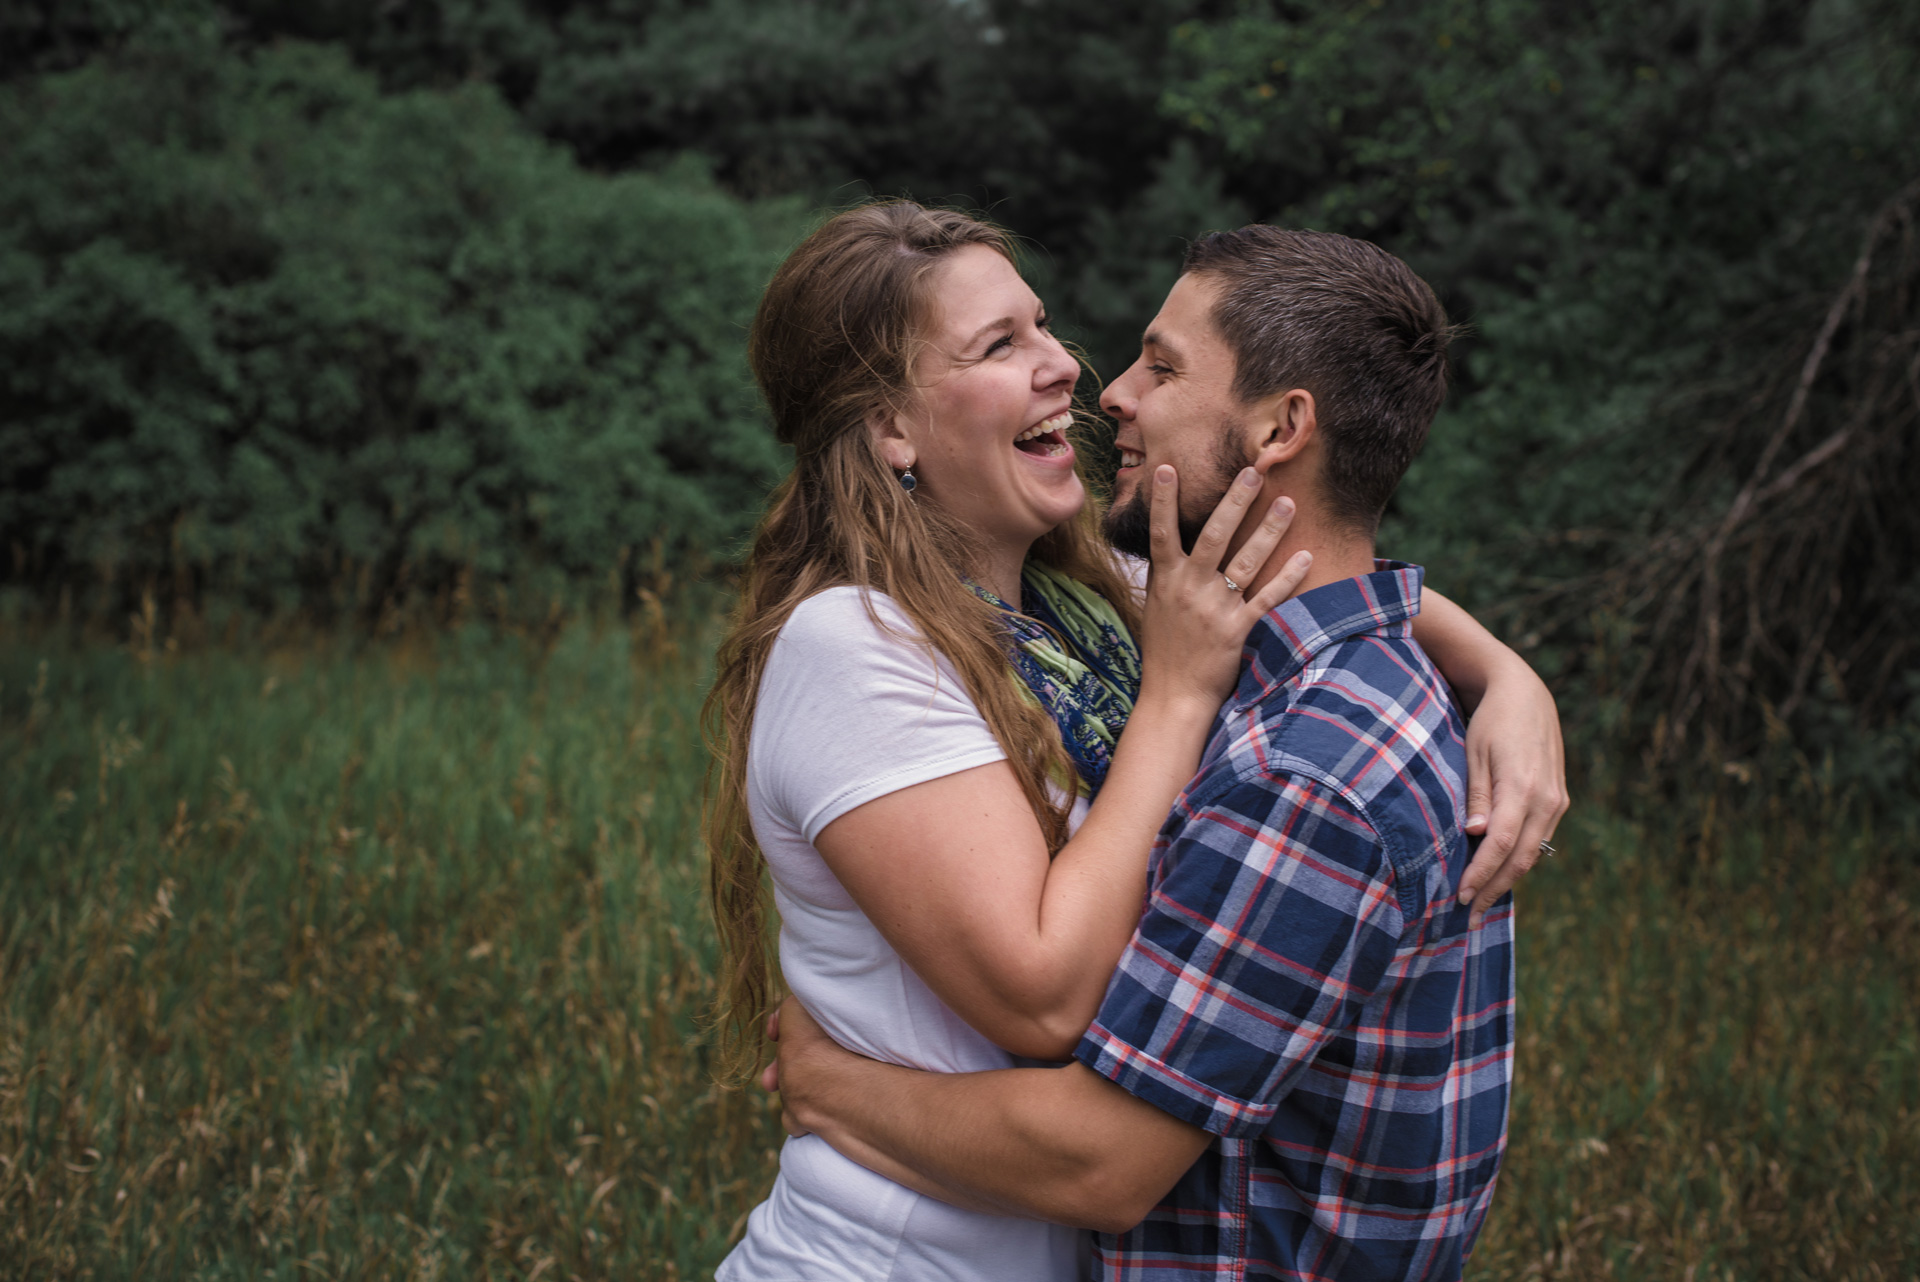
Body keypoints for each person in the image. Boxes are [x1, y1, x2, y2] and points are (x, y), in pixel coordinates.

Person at [709, 205, 1563, 1282]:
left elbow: (1311, 574)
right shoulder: (862, 641)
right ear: (891, 427)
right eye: (1000, 345)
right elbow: (1043, 995)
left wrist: (1510, 679)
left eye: (1044, 325)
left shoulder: (1089, 609)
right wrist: (1172, 699)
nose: (1072, 367)